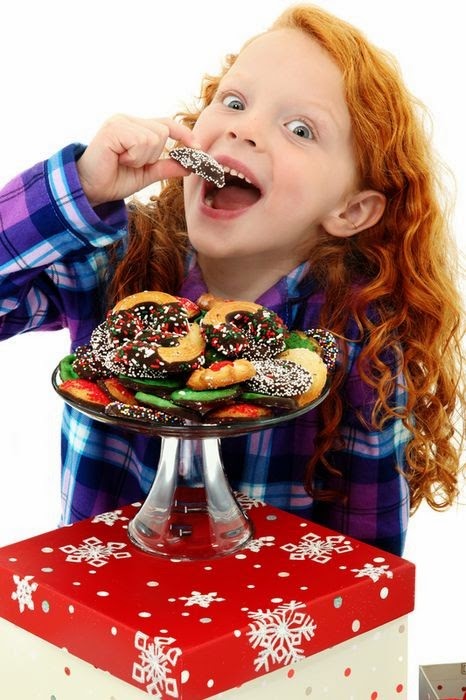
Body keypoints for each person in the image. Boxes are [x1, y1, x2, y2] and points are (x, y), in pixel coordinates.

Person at [0, 5, 464, 556]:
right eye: (235, 102)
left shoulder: (360, 341)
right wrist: (81, 187)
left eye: (299, 129)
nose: (243, 128)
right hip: (100, 598)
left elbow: (365, 566)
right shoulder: (114, 262)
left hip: (269, 610)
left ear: (351, 209)